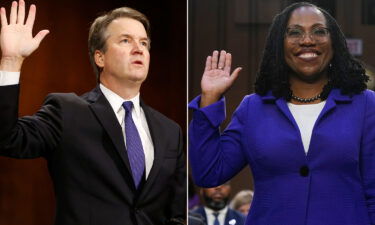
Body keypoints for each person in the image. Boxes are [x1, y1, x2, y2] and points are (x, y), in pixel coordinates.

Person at [0, 1, 186, 225]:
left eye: (144, 43)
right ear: (100, 58)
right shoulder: (67, 111)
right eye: (125, 40)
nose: (139, 48)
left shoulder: (170, 131)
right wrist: (11, 61)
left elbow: (178, 213)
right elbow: (8, 139)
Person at [189, 2, 374, 225]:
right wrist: (210, 100)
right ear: (280, 45)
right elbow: (208, 173)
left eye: (319, 31)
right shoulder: (253, 109)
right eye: (294, 32)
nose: (307, 40)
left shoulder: (366, 105)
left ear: (334, 43)